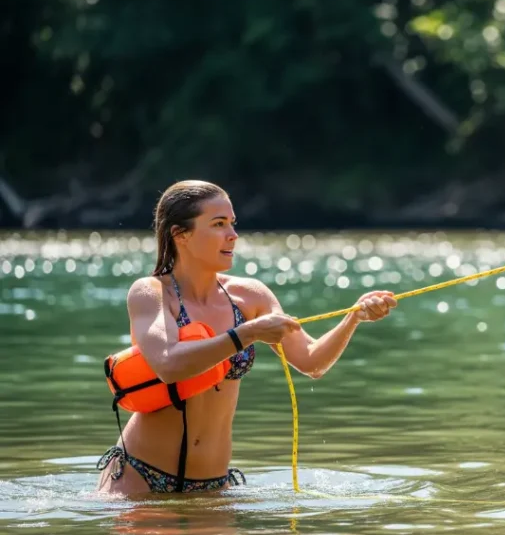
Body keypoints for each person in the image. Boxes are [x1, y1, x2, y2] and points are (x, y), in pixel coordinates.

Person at [97, 180, 398, 495]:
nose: (233, 235)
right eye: (218, 224)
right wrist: (248, 333)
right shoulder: (152, 292)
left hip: (213, 486)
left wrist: (354, 317)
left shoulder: (249, 296)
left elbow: (312, 361)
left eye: (232, 223)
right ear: (180, 234)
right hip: (139, 478)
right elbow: (168, 364)